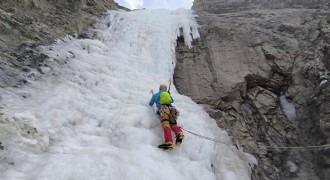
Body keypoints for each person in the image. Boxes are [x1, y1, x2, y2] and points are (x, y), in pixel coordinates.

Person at [149, 84, 184, 150]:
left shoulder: (157, 94)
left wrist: (154, 98)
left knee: (166, 125)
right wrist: (168, 94)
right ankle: (180, 133)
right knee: (173, 125)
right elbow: (172, 101)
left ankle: (169, 142)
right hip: (172, 110)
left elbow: (150, 103)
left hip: (163, 110)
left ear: (160, 89)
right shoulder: (167, 94)